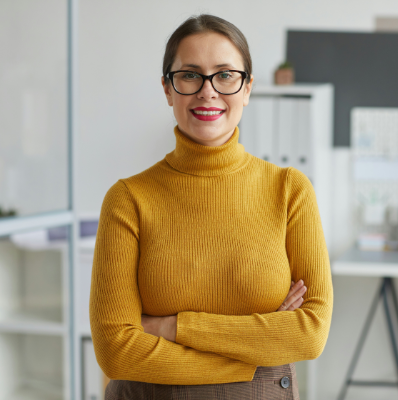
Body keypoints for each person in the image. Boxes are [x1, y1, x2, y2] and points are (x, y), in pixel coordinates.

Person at [89, 14, 333, 400]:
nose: (208, 91)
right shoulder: (128, 199)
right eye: (189, 75)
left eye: (225, 75)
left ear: (247, 88)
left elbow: (310, 333)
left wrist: (171, 328)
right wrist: (253, 355)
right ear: (168, 90)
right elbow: (116, 352)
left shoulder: (289, 190)